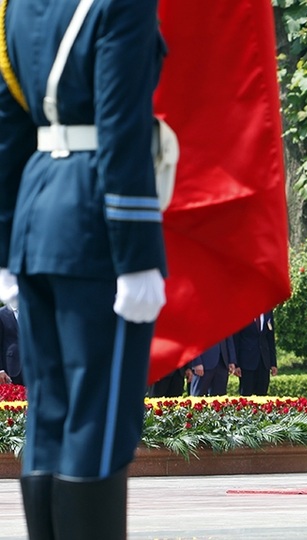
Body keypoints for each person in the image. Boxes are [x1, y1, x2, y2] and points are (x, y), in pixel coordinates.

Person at [0, 1, 167, 537]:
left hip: (35, 212)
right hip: (96, 222)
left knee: (49, 414)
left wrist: (5, 247)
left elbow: (7, 128)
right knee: (100, 416)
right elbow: (121, 125)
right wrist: (137, 253)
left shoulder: (17, 7)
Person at [232, 311, 277, 396]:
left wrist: (273, 363)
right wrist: (236, 364)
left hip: (264, 361)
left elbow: (270, 339)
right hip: (246, 361)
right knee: (246, 394)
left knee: (262, 394)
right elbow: (236, 339)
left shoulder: (268, 312)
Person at [0, 305, 22, 386]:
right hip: (11, 366)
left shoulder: (29, 310)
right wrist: (0, 370)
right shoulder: (1, 314)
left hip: (33, 366)